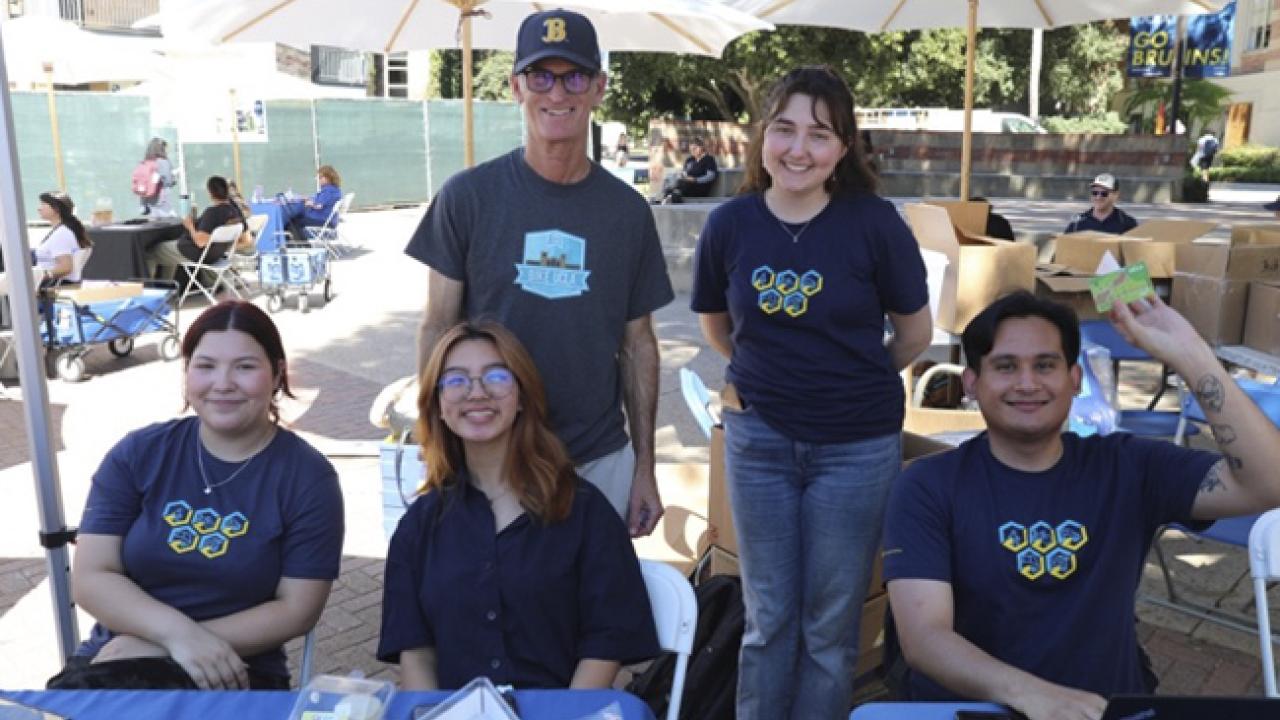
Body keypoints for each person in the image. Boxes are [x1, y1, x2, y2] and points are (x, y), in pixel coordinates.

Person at [883, 290, 1280, 720]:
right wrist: (1034, 696)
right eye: (1005, 366)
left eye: (1045, 365)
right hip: (976, 707)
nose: (1027, 383)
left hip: (1104, 708)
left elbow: (1269, 483)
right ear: (972, 384)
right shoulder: (928, 485)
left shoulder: (1130, 466)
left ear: (1074, 379)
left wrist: (1193, 357)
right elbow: (925, 638)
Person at [690, 65, 932, 720]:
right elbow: (718, 326)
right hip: (759, 442)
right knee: (768, 621)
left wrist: (850, 377)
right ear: (762, 136)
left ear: (844, 148)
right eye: (784, 129)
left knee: (829, 629)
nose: (798, 149)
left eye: (819, 134)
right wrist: (771, 376)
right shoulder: (731, 223)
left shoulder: (876, 224)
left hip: (857, 450)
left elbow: (915, 333)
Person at [407, 8, 674, 537]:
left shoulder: (626, 211)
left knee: (595, 614)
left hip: (598, 461)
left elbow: (639, 344)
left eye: (574, 76)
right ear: (515, 87)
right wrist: (434, 444)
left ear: (598, 87)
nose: (558, 93)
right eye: (541, 76)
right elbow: (438, 328)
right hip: (490, 456)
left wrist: (644, 467)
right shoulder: (466, 197)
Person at [49, 300, 344, 690]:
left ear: (276, 375)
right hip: (117, 659)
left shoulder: (307, 477)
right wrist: (176, 637)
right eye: (205, 366)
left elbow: (297, 609)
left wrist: (165, 648)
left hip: (236, 668)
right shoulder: (139, 454)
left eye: (245, 366)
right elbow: (91, 577)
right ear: (187, 373)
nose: (223, 383)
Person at [378, 321, 659, 690]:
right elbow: (415, 653)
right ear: (439, 407)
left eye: (496, 376)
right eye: (456, 380)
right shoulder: (419, 527)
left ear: (523, 396)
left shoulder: (586, 514)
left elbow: (605, 646)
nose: (476, 392)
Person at [147, 175, 248, 281]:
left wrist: (190, 226)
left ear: (210, 193)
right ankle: (168, 288)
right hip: (216, 254)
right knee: (169, 253)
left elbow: (200, 242)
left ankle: (154, 292)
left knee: (152, 251)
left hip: (196, 253)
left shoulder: (212, 213)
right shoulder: (235, 211)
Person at [1, 191, 91, 297]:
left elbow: (66, 267)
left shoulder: (62, 234)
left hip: (49, 283)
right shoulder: (60, 231)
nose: (39, 208)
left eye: (43, 204)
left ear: (56, 209)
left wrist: (41, 274)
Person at [1063, 173, 1138, 234]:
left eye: (1104, 193)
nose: (1098, 197)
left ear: (1116, 195)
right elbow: (1063, 248)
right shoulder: (1077, 222)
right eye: (1095, 193)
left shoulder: (1127, 223)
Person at [287, 165, 343, 244]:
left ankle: (302, 244)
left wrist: (309, 203)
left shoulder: (328, 190)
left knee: (293, 222)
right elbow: (318, 199)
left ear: (328, 177)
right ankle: (301, 243)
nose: (319, 180)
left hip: (322, 219)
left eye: (320, 177)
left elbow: (318, 206)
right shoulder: (334, 189)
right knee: (296, 219)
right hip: (328, 219)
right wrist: (307, 199)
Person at [659, 136, 718, 203]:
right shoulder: (690, 160)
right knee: (669, 178)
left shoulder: (709, 159)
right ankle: (668, 197)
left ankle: (670, 197)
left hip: (699, 187)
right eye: (691, 150)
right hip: (685, 184)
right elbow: (685, 173)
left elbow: (711, 176)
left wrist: (695, 180)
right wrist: (681, 176)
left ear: (701, 147)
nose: (692, 151)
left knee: (681, 184)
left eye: (694, 149)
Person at [140, 137, 179, 218]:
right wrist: (175, 175)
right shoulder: (163, 161)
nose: (167, 151)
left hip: (149, 201)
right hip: (162, 200)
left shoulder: (146, 162)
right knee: (169, 222)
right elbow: (169, 182)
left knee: (155, 224)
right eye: (165, 148)